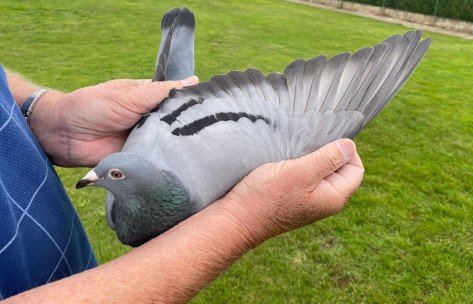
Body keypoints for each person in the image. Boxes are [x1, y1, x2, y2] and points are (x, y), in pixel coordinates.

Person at [0, 66, 365, 303]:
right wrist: (243, 219)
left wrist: (45, 114)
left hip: (62, 263)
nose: (92, 180)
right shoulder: (121, 211)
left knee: (301, 136)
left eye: (110, 176)